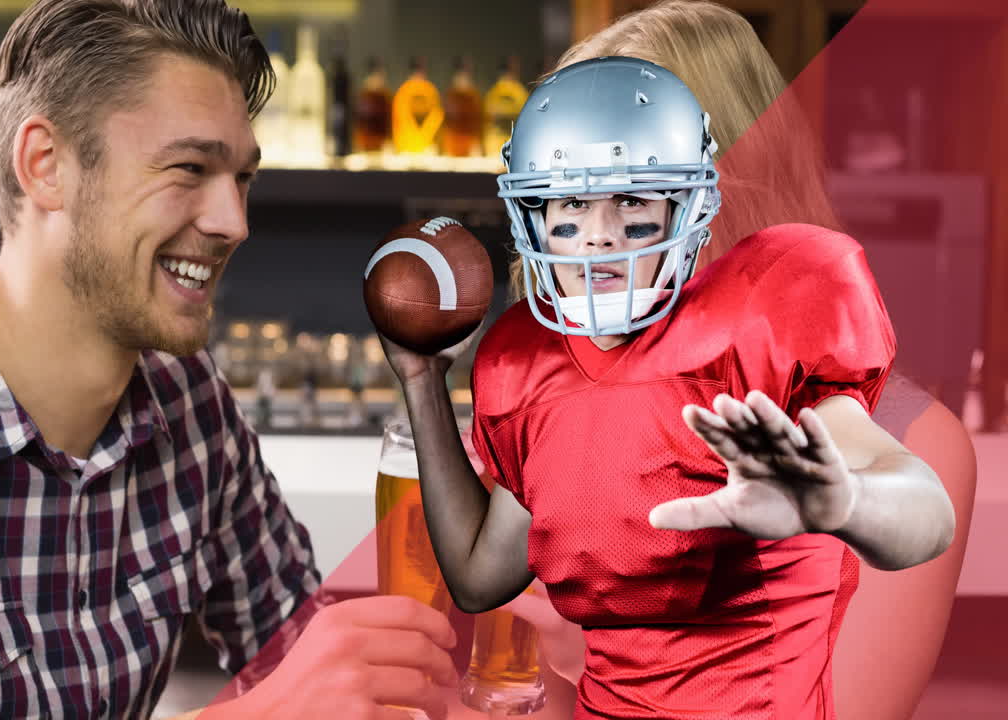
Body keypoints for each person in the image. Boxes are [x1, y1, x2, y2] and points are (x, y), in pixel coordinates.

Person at [0, 2, 459, 718]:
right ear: (46, 166)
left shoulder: (188, 400)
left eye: (243, 179)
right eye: (189, 168)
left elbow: (302, 652)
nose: (235, 222)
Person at [381, 51, 957, 720]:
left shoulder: (760, 316)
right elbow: (480, 579)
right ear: (532, 214)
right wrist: (421, 381)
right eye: (572, 205)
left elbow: (927, 512)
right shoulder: (527, 364)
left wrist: (845, 500)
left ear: (688, 207)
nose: (598, 238)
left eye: (631, 201)